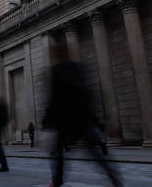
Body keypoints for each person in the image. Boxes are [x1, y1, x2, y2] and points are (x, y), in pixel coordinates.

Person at [42, 44, 123, 187]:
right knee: (93, 151)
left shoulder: (56, 71)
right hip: (83, 118)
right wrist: (94, 117)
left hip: (65, 120)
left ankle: (57, 180)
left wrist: (48, 122)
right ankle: (113, 176)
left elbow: (54, 99)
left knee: (58, 152)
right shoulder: (79, 68)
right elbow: (89, 93)